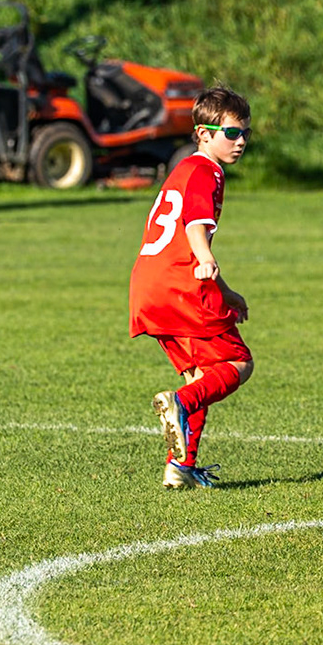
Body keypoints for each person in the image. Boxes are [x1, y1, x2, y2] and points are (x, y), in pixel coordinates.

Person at [128, 87, 253, 489]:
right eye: (231, 133)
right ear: (203, 133)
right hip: (180, 283)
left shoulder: (183, 169)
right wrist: (205, 256)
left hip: (150, 285)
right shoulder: (205, 171)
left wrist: (225, 290)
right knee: (237, 363)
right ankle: (179, 405)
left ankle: (180, 466)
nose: (241, 141)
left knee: (200, 376)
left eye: (245, 133)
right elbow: (195, 224)